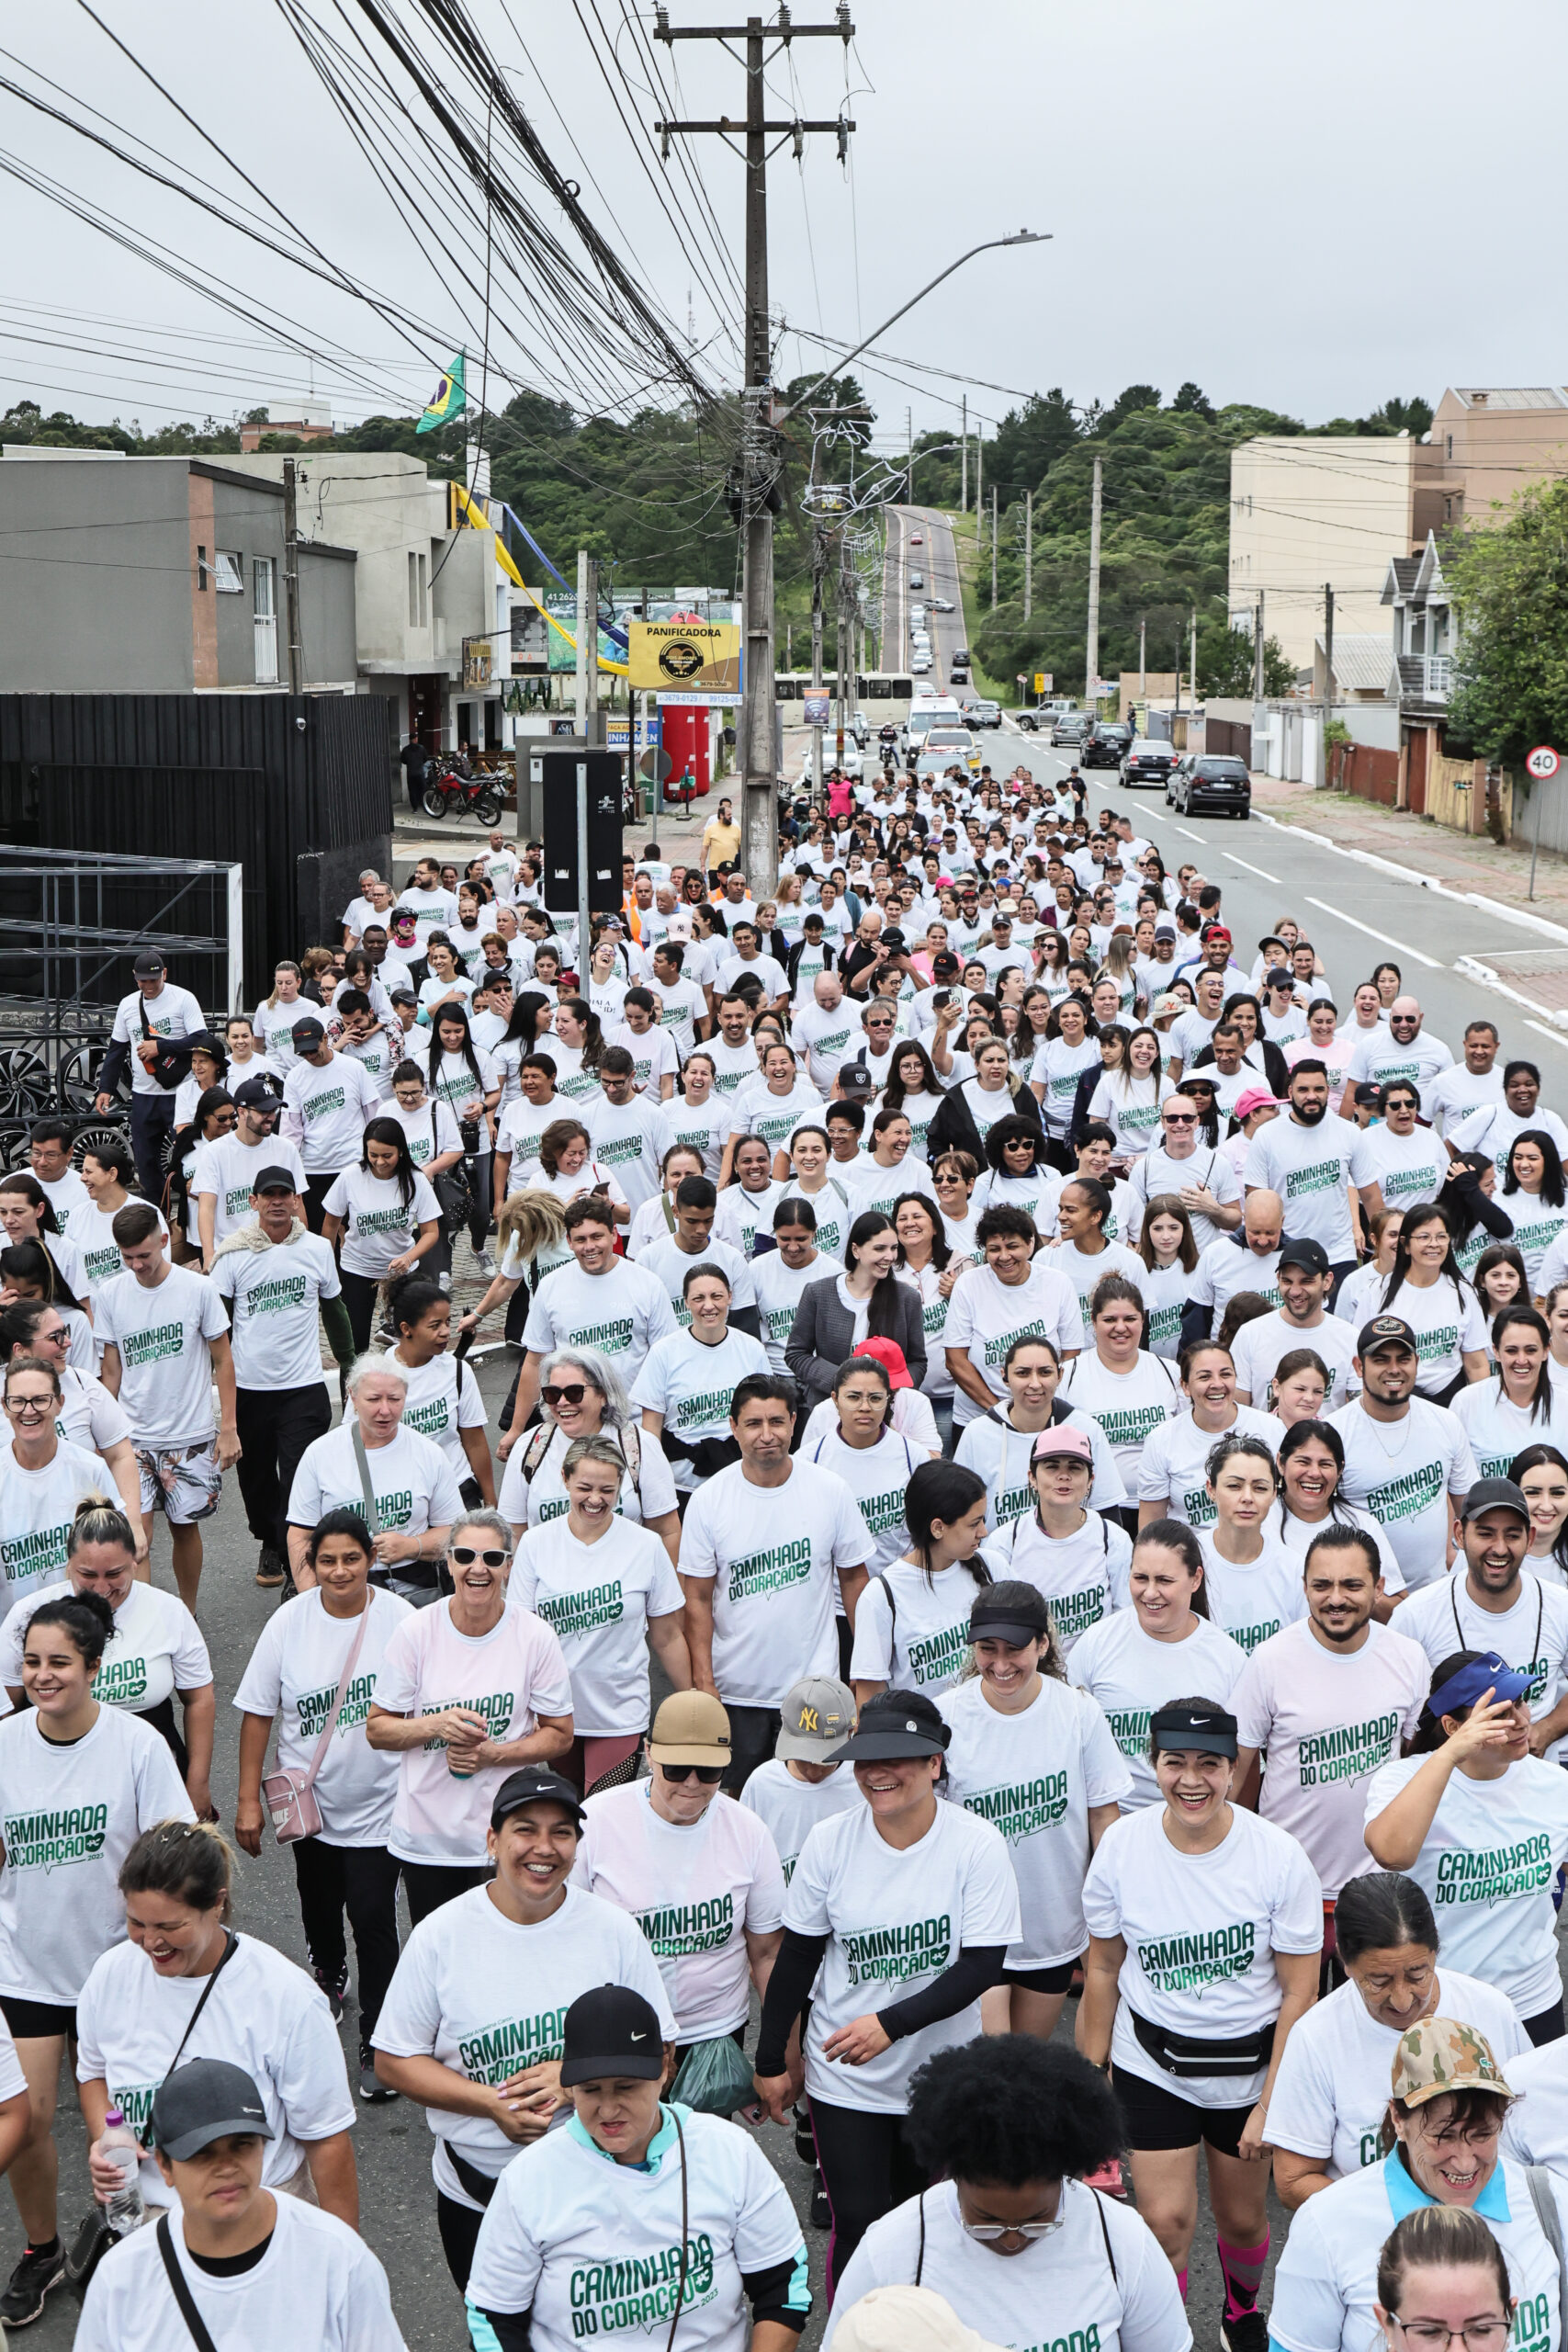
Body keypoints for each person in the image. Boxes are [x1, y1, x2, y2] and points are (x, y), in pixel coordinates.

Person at [752, 1689, 1021, 2296]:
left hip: (941, 2076)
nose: (877, 1773)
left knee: (925, 2226)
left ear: (934, 1763)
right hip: (845, 2074)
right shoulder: (830, 1840)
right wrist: (771, 2059)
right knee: (859, 2224)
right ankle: (852, 2334)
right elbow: (797, 1957)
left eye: (896, 1757)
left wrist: (890, 2024)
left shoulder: (976, 1843)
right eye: (866, 1759)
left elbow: (982, 1966)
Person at [372, 1771, 676, 2297]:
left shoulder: (613, 1931)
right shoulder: (440, 1937)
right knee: (493, 2328)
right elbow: (394, 2061)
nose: (544, 1848)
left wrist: (575, 2081)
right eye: (525, 1829)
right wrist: (490, 2104)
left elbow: (662, 2052)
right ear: (493, 1840)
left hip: (596, 2185)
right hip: (477, 2190)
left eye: (562, 1832)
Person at [1077, 1696, 1322, 2337]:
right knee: (1164, 2223)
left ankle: (1240, 2312)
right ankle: (1167, 2336)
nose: (1191, 1780)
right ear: (1152, 1765)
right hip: (1151, 2062)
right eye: (1174, 1762)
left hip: (1248, 2071)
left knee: (1242, 2221)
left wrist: (1272, 2103)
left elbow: (1300, 1992)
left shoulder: (1277, 1855)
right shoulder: (1121, 1847)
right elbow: (1102, 1968)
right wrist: (1088, 2076)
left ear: (1234, 1769)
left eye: (1209, 1764)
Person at [0, 1589, 193, 2327]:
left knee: (117, 2121)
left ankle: (131, 2236)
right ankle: (43, 2249)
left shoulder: (136, 1746)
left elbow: (176, 1851)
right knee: (26, 2121)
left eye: (59, 1662)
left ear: (93, 1667)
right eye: (32, 1662)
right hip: (26, 1966)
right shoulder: (5, 1744)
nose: (43, 1675)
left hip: (119, 1969)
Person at [466, 1979, 808, 2352]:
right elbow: (493, 2320)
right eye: (590, 2090)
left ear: (663, 2067)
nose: (608, 2109)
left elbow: (782, 2288)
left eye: (626, 2087)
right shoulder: (528, 2178)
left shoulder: (729, 2151)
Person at [822, 2036, 1188, 2352]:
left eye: (1037, 2220)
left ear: (1065, 2179)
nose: (1012, 2239)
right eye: (986, 2220)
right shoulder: (893, 2249)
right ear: (954, 2178)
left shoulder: (1122, 2240)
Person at [77, 1817, 356, 2222]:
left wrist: (343, 2249)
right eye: (137, 1923)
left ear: (217, 1904)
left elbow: (327, 2140)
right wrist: (108, 2135)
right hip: (147, 2220)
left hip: (258, 2218)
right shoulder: (109, 1976)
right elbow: (92, 2074)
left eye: (170, 1926)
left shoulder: (284, 1994)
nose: (151, 1942)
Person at [233, 1506, 412, 2099]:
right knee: (318, 1900)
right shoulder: (288, 1623)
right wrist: (248, 1800)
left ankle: (377, 2043)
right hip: (310, 1802)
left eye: (351, 1559)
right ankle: (329, 1971)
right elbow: (258, 1713)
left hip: (383, 1805)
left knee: (374, 1918)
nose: (339, 1572)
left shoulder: (402, 1620)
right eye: (327, 1560)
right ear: (310, 1564)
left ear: (371, 1559)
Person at [1269, 2023, 1568, 2352]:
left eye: (1482, 2134)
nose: (1465, 2162)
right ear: (1398, 2119)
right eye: (1443, 2136)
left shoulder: (1549, 2201)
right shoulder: (1326, 2225)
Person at [73, 2056, 403, 2351]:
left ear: (263, 2148)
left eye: (242, 2145)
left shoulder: (341, 2259)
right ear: (165, 2167)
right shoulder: (121, 2277)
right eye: (202, 2153)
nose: (226, 2167)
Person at [1265, 1870, 1529, 2205]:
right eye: (1379, 1981)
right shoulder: (1316, 2037)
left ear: (1435, 1953)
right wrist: (1403, 2213)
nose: (1403, 2001)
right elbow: (1293, 2180)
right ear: (1344, 1961)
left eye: (1418, 1975)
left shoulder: (1492, 2010)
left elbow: (1535, 2131)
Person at [939, 1579, 1132, 2038]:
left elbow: (1103, 1817)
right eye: (987, 1649)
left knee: (1026, 2064)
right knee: (990, 2062)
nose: (1001, 1665)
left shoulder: (1079, 1712)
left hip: (1053, 1928)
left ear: (1043, 1644)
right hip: (973, 1928)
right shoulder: (945, 1717)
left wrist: (1108, 1909)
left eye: (1015, 1650)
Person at [367, 1512, 574, 1926]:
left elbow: (560, 1734)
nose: (478, 1569)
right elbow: (377, 1729)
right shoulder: (416, 1631)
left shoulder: (534, 1636)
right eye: (465, 1556)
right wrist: (436, 1725)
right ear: (449, 1563)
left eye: (492, 1558)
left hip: (504, 1836)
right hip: (428, 1838)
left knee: (505, 1953)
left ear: (508, 1567)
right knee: (440, 1953)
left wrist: (494, 1755)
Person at [1233, 1522, 1428, 1941]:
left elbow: (1417, 1765)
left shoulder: (1409, 1657)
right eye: (1322, 1585)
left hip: (1377, 1887)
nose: (1336, 1599)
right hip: (1286, 1884)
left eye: (1352, 1585)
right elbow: (1235, 1769)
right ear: (1304, 1586)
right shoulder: (1269, 1660)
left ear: (1379, 1587)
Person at [680, 1374, 875, 1790]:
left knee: (819, 1795)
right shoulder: (708, 1500)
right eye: (753, 1423)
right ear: (733, 1427)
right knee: (739, 1802)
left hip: (815, 1689)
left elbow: (855, 1580)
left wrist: (863, 1669)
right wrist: (704, 1682)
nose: (766, 1435)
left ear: (793, 1423)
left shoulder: (831, 1490)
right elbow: (696, 1598)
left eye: (776, 1422)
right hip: (737, 1692)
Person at [1364, 1648, 1568, 2041]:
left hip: (1532, 2002)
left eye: (1520, 1703)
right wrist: (1451, 1755)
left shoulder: (1555, 1784)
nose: (1521, 1720)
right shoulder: (1401, 1779)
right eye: (1499, 1714)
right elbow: (1392, 1854)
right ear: (1452, 1725)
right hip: (1443, 2005)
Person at [0, 1496, 212, 1795]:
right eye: (87, 1575)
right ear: (69, 1565)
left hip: (148, 1772)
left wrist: (198, 1783)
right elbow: (5, 1707)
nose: (101, 1588)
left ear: (135, 1563)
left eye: (114, 1574)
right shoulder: (28, 1614)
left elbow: (200, 1699)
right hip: (53, 1772)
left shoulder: (169, 1611)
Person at [513, 1435, 690, 1794]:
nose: (595, 1499)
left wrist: (691, 1698)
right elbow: (519, 1637)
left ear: (621, 1485)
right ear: (565, 1479)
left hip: (620, 1712)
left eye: (607, 1490)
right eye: (585, 1488)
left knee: (600, 1813)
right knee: (566, 1811)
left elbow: (668, 1635)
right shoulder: (535, 1543)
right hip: (555, 1712)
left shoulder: (646, 1545)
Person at [212, 1165, 353, 1589]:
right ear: (253, 1201)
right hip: (250, 1390)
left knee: (298, 1478)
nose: (277, 1202)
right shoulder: (232, 1254)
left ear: (295, 1200)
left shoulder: (317, 1249)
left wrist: (350, 1364)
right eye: (268, 1195)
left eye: (284, 1194)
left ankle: (298, 1570)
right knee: (256, 1482)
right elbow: (218, 1328)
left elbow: (335, 1310)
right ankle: (270, 1539)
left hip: (303, 1388)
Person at [96, 1202, 238, 1608]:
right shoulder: (110, 1294)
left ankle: (186, 1611)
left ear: (163, 1241)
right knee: (135, 1533)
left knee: (185, 1528)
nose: (137, 1265)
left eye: (144, 1255)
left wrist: (228, 1428)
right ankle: (141, 1616)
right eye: (127, 1258)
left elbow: (224, 1360)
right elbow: (111, 1371)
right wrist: (102, 1435)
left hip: (189, 1434)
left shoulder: (199, 1290)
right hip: (133, 1438)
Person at [1395, 1475, 1568, 1758]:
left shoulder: (1560, 1605)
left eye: (1512, 1535)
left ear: (1530, 1539)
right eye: (1486, 1534)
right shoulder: (1416, 1614)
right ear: (1460, 1535)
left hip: (1537, 1779)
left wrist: (1547, 1729)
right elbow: (1396, 1715)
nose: (1499, 1548)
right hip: (1453, 1781)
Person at [287, 1353, 463, 1599]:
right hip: (342, 1589)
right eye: (373, 1399)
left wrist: (411, 1546)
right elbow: (300, 1535)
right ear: (353, 1397)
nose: (385, 1410)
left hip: (414, 1590)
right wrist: (312, 1600)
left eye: (394, 1399)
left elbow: (454, 1531)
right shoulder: (320, 1454)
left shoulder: (429, 1453)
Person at [1329, 1314, 1481, 1594]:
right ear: (1359, 1367)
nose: (1394, 1369)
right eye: (1381, 1360)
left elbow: (1471, 1511)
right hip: (1366, 1600)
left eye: (1403, 1359)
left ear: (1416, 1363)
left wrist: (1458, 1563)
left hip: (1438, 1593)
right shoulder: (1334, 1434)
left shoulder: (1445, 1422)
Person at [850, 1461, 993, 1701]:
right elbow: (869, 1698)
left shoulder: (992, 1566)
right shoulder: (881, 1595)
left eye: (983, 1520)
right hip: (920, 1724)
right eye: (974, 1523)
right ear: (938, 1528)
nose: (983, 1532)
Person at [940, 1204, 1084, 1430]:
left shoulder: (1058, 1283)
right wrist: (1001, 1413)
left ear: (1030, 1244)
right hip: (979, 1419)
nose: (1004, 1256)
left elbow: (1071, 1354)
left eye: (1012, 1246)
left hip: (1042, 1417)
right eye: (994, 1249)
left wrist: (1035, 1408)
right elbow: (955, 1360)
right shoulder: (968, 1284)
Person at [1243, 1059, 1382, 1292]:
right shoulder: (1266, 1136)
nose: (1311, 1096)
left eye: (1318, 1089)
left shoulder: (1349, 1133)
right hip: (1286, 1255)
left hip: (1339, 1255)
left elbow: (1371, 1196)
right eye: (1303, 1089)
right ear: (1290, 1092)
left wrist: (1384, 1244)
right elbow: (1255, 1201)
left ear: (1328, 1090)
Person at [631, 1263, 770, 1496]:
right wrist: (656, 1485)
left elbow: (766, 1413)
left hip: (741, 1478)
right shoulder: (663, 1352)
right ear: (686, 1302)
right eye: (698, 1298)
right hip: (681, 1485)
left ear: (730, 1297)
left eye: (716, 1296)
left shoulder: (751, 1349)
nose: (708, 1306)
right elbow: (651, 1429)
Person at [0, 1351, 120, 1611]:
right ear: (4, 1406)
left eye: (40, 1400)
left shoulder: (91, 1470)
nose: (28, 1410)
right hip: (12, 1628)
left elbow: (119, 1555)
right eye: (17, 1401)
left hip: (84, 1625)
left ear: (59, 1403)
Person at [784, 1210, 928, 1414]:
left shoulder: (907, 1298)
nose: (889, 1256)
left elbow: (917, 1362)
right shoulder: (818, 1293)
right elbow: (796, 1354)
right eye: (879, 1248)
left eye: (894, 1248)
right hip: (830, 1408)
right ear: (856, 1250)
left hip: (888, 1412)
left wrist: (890, 1393)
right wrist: (844, 1383)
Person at [1059, 1273, 1180, 1514]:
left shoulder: (1170, 1372)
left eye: (1130, 1318)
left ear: (1143, 1320)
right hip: (1093, 1510)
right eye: (1110, 1319)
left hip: (1160, 1508)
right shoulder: (1068, 1375)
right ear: (1093, 1322)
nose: (1121, 1327)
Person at [93, 948, 206, 1203]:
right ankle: (155, 1213)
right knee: (145, 1161)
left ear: (164, 973)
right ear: (134, 977)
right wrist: (105, 1088)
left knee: (187, 1155)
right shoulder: (127, 1004)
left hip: (180, 1091)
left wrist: (161, 1047)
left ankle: (189, 1211)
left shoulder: (183, 998)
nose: (149, 986)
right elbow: (116, 1050)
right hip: (144, 1095)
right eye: (143, 981)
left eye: (154, 980)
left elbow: (201, 1038)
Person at [1137, 1338, 1281, 1535]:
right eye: (1205, 1377)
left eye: (1225, 1374)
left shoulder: (1272, 1428)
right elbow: (1150, 1526)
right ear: (1185, 1386)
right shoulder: (1161, 1440)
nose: (1217, 1384)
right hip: (1191, 1550)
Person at [321, 1118, 441, 1352]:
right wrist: (327, 1266)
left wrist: (408, 1258)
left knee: (411, 1342)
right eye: (373, 1155)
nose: (379, 1162)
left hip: (403, 1272)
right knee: (355, 1345)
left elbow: (431, 1232)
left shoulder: (416, 1180)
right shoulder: (350, 1177)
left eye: (387, 1155)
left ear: (401, 1151)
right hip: (357, 1270)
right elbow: (330, 1225)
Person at [739, 1675, 863, 1887]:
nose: (813, 1770)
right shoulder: (762, 1783)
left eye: (826, 1758)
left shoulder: (861, 1782)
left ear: (851, 1731)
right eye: (802, 1756)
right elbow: (743, 1854)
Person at [1230, 1235, 1359, 1410]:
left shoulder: (1349, 1337)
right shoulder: (1250, 1334)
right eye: (1287, 1281)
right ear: (1278, 1279)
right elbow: (1238, 1410)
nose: (1295, 1291)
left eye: (1306, 1281)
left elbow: (1358, 1408)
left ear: (1327, 1281)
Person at [280, 1014, 383, 1234]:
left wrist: (375, 1158)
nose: (309, 1056)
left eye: (313, 1049)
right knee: (320, 1234)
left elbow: (374, 1115)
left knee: (358, 1230)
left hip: (352, 1163)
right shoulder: (294, 1078)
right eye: (303, 1053)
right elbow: (291, 1131)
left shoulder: (354, 1068)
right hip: (313, 1168)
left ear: (325, 1039)